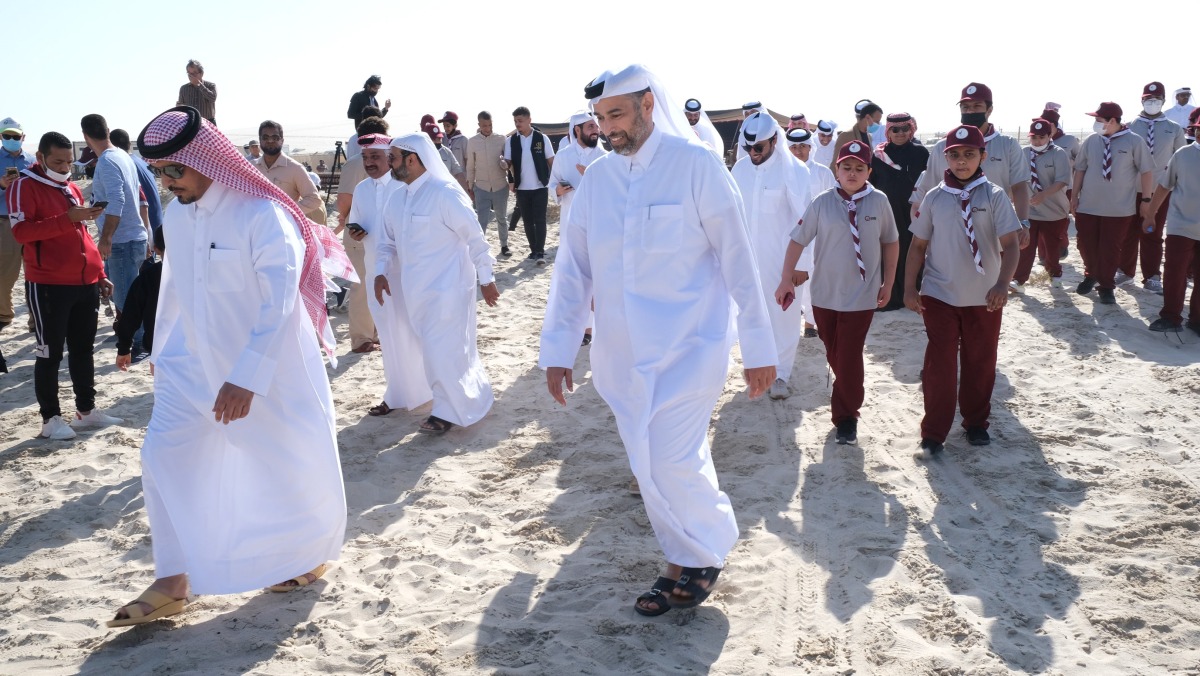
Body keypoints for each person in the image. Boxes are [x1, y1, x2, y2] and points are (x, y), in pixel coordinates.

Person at [541, 65, 777, 616]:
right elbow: (573, 272)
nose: (607, 130)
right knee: (647, 464)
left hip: (690, 346)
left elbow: (739, 261)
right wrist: (558, 351)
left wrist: (759, 349)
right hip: (621, 357)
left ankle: (699, 553)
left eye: (616, 115)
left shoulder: (695, 166)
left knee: (672, 460)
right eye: (600, 119)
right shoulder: (598, 179)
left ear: (648, 103)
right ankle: (682, 556)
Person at [106, 106, 354, 629]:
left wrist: (247, 376)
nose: (170, 183)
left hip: (266, 372)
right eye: (161, 173)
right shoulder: (176, 216)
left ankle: (308, 554)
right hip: (190, 367)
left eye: (177, 169)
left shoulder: (261, 214)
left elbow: (280, 300)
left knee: (287, 461)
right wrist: (165, 354)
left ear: (207, 159)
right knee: (162, 458)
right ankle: (173, 579)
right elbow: (173, 291)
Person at [904, 125, 1022, 457]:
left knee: (980, 361)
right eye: (954, 155)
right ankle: (934, 432)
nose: (961, 162)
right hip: (939, 294)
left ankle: (975, 424)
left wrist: (1002, 284)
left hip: (985, 297)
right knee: (939, 364)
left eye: (969, 154)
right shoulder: (934, 197)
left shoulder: (995, 196)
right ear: (946, 157)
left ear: (982, 156)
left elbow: (1011, 246)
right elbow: (917, 246)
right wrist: (910, 288)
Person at [773, 140, 898, 444]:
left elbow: (891, 242)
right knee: (835, 352)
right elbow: (797, 241)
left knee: (850, 355)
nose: (852, 173)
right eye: (846, 167)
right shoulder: (822, 202)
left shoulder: (879, 202)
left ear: (869, 171)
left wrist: (889, 282)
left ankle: (846, 417)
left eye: (859, 168)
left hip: (862, 295)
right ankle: (846, 400)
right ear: (836, 170)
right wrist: (786, 278)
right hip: (824, 295)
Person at [374, 133, 499, 435]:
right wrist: (380, 271)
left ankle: (444, 412)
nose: (388, 164)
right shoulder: (397, 198)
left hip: (449, 288)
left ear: (412, 159)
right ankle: (471, 396)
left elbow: (475, 237)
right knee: (443, 350)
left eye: (393, 158)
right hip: (415, 291)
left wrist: (487, 278)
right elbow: (386, 242)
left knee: (441, 350)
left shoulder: (445, 193)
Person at [6, 131, 121, 440]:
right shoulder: (23, 186)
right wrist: (67, 217)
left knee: (83, 350)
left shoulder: (70, 186)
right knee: (49, 353)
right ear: (40, 157)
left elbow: (82, 236)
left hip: (84, 283)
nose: (64, 166)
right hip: (48, 284)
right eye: (57, 161)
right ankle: (50, 419)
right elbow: (21, 233)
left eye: (69, 160)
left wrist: (98, 274)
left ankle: (85, 411)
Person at [733, 112, 811, 400]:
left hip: (782, 261)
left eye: (759, 148)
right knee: (750, 315)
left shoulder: (794, 171)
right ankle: (756, 369)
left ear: (774, 141)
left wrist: (801, 266)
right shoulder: (739, 170)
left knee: (783, 316)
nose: (753, 153)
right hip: (746, 260)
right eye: (748, 148)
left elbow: (807, 222)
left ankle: (782, 374)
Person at [343, 133, 418, 413]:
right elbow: (356, 223)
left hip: (405, 272)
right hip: (376, 272)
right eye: (364, 157)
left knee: (411, 333)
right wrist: (356, 230)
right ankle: (396, 395)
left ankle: (423, 392)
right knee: (387, 335)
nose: (369, 162)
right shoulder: (361, 189)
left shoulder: (404, 187)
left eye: (375, 156)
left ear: (389, 157)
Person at [911, 84, 1030, 251]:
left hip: (994, 235)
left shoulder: (1007, 145)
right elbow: (924, 194)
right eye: (965, 107)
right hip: (949, 236)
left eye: (977, 106)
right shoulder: (942, 147)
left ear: (989, 110)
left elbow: (1019, 186)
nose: (970, 112)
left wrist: (1023, 222)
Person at [1070, 102, 1155, 304]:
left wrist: (1146, 199)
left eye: (1099, 120)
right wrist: (1074, 196)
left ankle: (1106, 286)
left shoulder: (1134, 141)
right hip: (1089, 205)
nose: (1095, 123)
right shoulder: (1091, 141)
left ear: (1113, 121)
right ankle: (1091, 274)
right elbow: (1080, 169)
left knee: (1110, 248)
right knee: (1085, 244)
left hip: (1119, 208)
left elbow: (1146, 171)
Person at [82, 114, 151, 352]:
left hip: (122, 240)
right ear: (107, 130)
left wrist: (106, 237)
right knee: (127, 295)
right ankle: (138, 339)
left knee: (126, 299)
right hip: (133, 237)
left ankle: (140, 343)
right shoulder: (122, 155)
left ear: (85, 137)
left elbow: (118, 199)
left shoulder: (107, 161)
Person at [1123, 82, 1185, 293]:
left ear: (1163, 101)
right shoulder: (1130, 126)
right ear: (1141, 100)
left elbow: (1181, 159)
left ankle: (1151, 275)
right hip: (1132, 189)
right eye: (1148, 99)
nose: (1152, 103)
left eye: (1156, 99)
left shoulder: (1174, 128)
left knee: (1152, 232)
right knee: (1128, 231)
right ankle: (1125, 271)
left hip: (1159, 190)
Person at [335, 117, 389, 353]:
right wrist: (346, 220)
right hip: (358, 234)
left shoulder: (381, 163)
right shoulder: (357, 163)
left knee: (377, 285)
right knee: (361, 288)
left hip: (378, 236)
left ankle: (374, 334)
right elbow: (344, 199)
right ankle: (361, 339)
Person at [1145, 113, 1200, 333]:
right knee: (1175, 272)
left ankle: (1197, 321)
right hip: (1180, 226)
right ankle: (1170, 316)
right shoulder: (1182, 154)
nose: (1199, 132)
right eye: (1197, 128)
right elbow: (1164, 186)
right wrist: (1151, 213)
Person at [869, 112, 929, 311]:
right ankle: (890, 298)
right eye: (895, 129)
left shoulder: (921, 153)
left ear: (911, 129)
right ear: (888, 131)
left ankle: (912, 293)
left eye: (905, 129)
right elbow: (871, 184)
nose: (900, 133)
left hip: (913, 213)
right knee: (887, 252)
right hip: (887, 212)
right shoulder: (878, 156)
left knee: (913, 250)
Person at [1012, 119, 1072, 292]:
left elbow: (1062, 181)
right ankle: (1019, 280)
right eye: (1034, 138)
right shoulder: (1023, 153)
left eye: (1041, 137)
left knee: (1051, 249)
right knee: (1025, 246)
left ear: (1049, 136)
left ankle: (1055, 275)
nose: (1037, 141)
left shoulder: (1058, 153)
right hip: (1030, 210)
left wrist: (1043, 194)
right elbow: (1016, 179)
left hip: (1054, 211)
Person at [502, 106, 555, 265]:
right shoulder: (512, 140)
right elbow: (508, 163)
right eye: (515, 121)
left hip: (540, 186)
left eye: (520, 121)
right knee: (527, 221)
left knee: (540, 219)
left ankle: (540, 251)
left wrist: (555, 180)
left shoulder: (541, 138)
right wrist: (504, 165)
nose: (517, 124)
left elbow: (551, 161)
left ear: (529, 120)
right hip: (522, 188)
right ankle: (533, 250)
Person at [253, 120, 326, 224]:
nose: (270, 141)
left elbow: (314, 200)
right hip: (256, 225)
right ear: (260, 140)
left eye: (275, 137)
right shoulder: (251, 167)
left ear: (282, 140)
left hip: (283, 227)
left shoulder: (295, 168)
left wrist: (286, 211)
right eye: (265, 137)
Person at [0, 117, 35, 333]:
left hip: (31, 222)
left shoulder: (32, 160)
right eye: (7, 136)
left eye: (15, 136)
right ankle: (4, 314)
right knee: (5, 275)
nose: (12, 140)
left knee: (36, 272)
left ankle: (35, 319)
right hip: (5, 224)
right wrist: (2, 185)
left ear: (23, 138)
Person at [115, 226, 165, 370]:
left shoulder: (149, 277)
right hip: (198, 348)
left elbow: (131, 314)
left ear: (155, 249)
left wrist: (124, 348)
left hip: (158, 349)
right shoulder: (201, 275)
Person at [466, 111, 512, 257]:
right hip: (481, 186)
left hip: (500, 185)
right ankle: (481, 249)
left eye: (490, 125)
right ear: (479, 125)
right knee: (482, 220)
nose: (487, 128)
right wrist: (470, 185)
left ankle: (504, 245)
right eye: (484, 125)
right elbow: (470, 166)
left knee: (502, 218)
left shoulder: (502, 139)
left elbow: (510, 162)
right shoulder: (472, 141)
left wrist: (505, 165)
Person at [548, 112, 607, 222]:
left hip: (596, 218)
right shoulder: (562, 156)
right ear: (577, 130)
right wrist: (558, 190)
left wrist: (592, 177)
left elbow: (612, 189)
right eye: (590, 126)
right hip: (570, 217)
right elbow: (552, 184)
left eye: (597, 126)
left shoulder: (605, 157)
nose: (596, 130)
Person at [109, 128, 163, 232]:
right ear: (129, 144)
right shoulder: (142, 162)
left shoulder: (125, 165)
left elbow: (141, 203)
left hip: (145, 228)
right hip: (157, 224)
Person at [832, 99, 882, 171]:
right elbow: (835, 165)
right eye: (876, 121)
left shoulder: (869, 137)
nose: (878, 124)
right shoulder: (846, 136)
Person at [426, 124, 469, 192]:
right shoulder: (420, 154)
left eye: (439, 138)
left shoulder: (447, 152)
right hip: (429, 192)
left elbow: (458, 172)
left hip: (446, 191)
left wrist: (466, 192)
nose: (437, 141)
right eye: (434, 139)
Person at [176, 59, 217, 125]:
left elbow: (212, 98)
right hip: (191, 124)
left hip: (208, 123)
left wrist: (199, 85)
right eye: (189, 73)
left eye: (194, 73)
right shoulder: (184, 88)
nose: (191, 76)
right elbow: (181, 107)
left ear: (201, 73)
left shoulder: (210, 85)